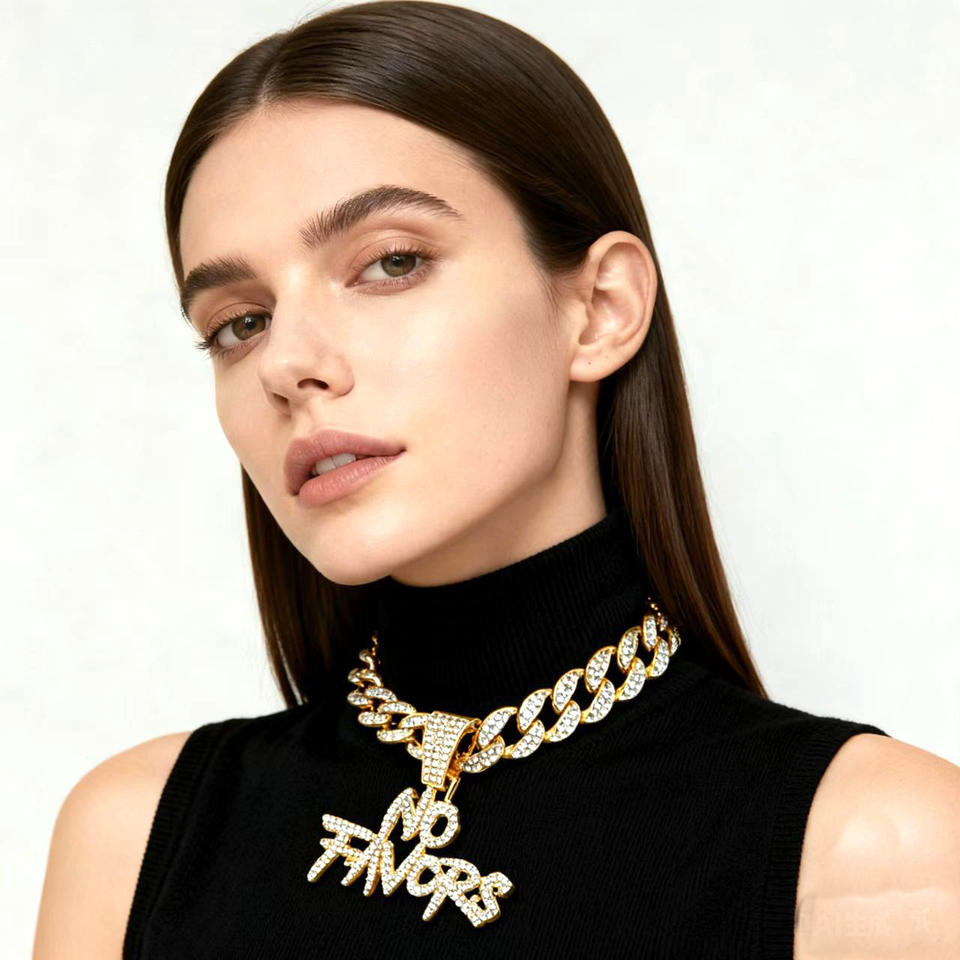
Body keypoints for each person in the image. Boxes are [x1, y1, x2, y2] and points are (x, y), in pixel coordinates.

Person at [33, 2, 960, 957]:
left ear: (600, 309)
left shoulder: (873, 851)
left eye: (391, 263)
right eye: (240, 322)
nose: (287, 363)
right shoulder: (134, 841)